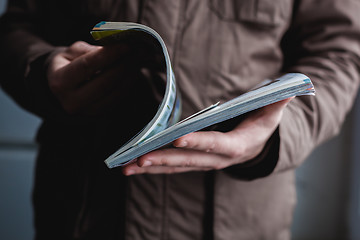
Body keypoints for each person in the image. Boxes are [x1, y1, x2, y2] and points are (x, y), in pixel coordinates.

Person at [0, 0, 359, 239]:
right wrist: (42, 70)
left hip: (240, 221)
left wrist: (278, 132)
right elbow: (16, 27)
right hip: (80, 213)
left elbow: (340, 52)